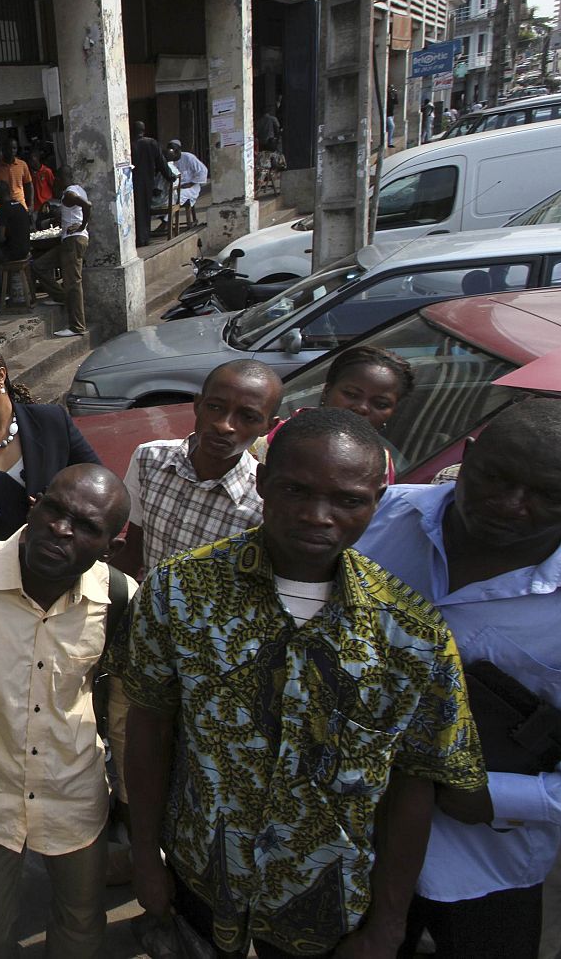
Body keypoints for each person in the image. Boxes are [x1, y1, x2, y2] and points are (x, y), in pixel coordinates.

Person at [117, 409, 486, 959]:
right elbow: (150, 728)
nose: (318, 516)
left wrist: (387, 925)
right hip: (200, 877)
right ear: (262, 482)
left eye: (347, 500)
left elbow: (415, 786)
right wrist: (146, 859)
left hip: (325, 906)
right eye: (295, 489)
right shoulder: (179, 591)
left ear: (376, 501)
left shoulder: (412, 634)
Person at [355, 400, 561, 959]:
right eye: (497, 478)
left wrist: (496, 796)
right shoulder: (376, 518)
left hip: (484, 865)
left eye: (546, 495)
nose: (513, 506)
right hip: (348, 843)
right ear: (467, 456)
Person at [0, 464, 137, 958]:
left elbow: (121, 713)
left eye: (85, 527)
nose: (61, 528)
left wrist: (127, 798)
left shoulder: (118, 598)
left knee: (80, 926)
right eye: (54, 509)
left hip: (74, 792)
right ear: (33, 505)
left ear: (110, 548)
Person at [113, 359, 283, 578]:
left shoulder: (263, 504)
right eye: (214, 407)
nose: (224, 426)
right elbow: (134, 548)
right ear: (197, 405)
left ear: (268, 426)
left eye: (248, 417)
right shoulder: (149, 459)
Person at [0, 343, 100, 541]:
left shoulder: (52, 421)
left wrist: (57, 505)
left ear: (0, 375)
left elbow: (95, 476)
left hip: (59, 545)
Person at [252, 345, 414, 483]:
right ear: (327, 391)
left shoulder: (380, 462)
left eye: (380, 404)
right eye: (351, 394)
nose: (362, 408)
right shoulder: (265, 443)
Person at [50, 184, 90, 337]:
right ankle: (60, 297)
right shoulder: (79, 189)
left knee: (73, 283)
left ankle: (77, 326)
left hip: (73, 240)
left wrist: (82, 226)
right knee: (40, 266)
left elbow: (88, 205)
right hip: (71, 240)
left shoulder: (69, 194)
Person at [131, 122, 174, 248]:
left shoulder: (130, 143)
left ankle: (139, 238)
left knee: (136, 210)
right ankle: (143, 238)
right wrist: (170, 176)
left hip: (131, 181)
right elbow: (161, 162)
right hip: (146, 180)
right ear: (143, 130)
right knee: (144, 209)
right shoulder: (151, 143)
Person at [164, 140, 208, 211]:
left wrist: (191, 184)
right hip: (175, 187)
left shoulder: (189, 157)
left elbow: (203, 170)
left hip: (190, 187)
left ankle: (166, 220)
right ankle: (165, 217)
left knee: (178, 197)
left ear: (179, 150)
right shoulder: (169, 159)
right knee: (165, 198)